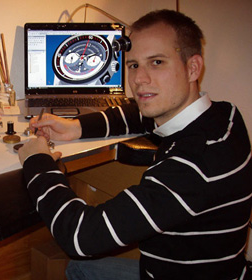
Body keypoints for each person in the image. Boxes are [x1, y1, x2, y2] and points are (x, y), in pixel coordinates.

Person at [18, 9, 252, 280]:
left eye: (157, 62)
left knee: (78, 263)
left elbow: (81, 237)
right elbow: (139, 113)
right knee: (77, 269)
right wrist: (76, 127)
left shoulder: (194, 165)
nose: (139, 79)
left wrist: (37, 161)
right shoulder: (226, 116)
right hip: (216, 270)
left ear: (193, 68)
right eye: (133, 65)